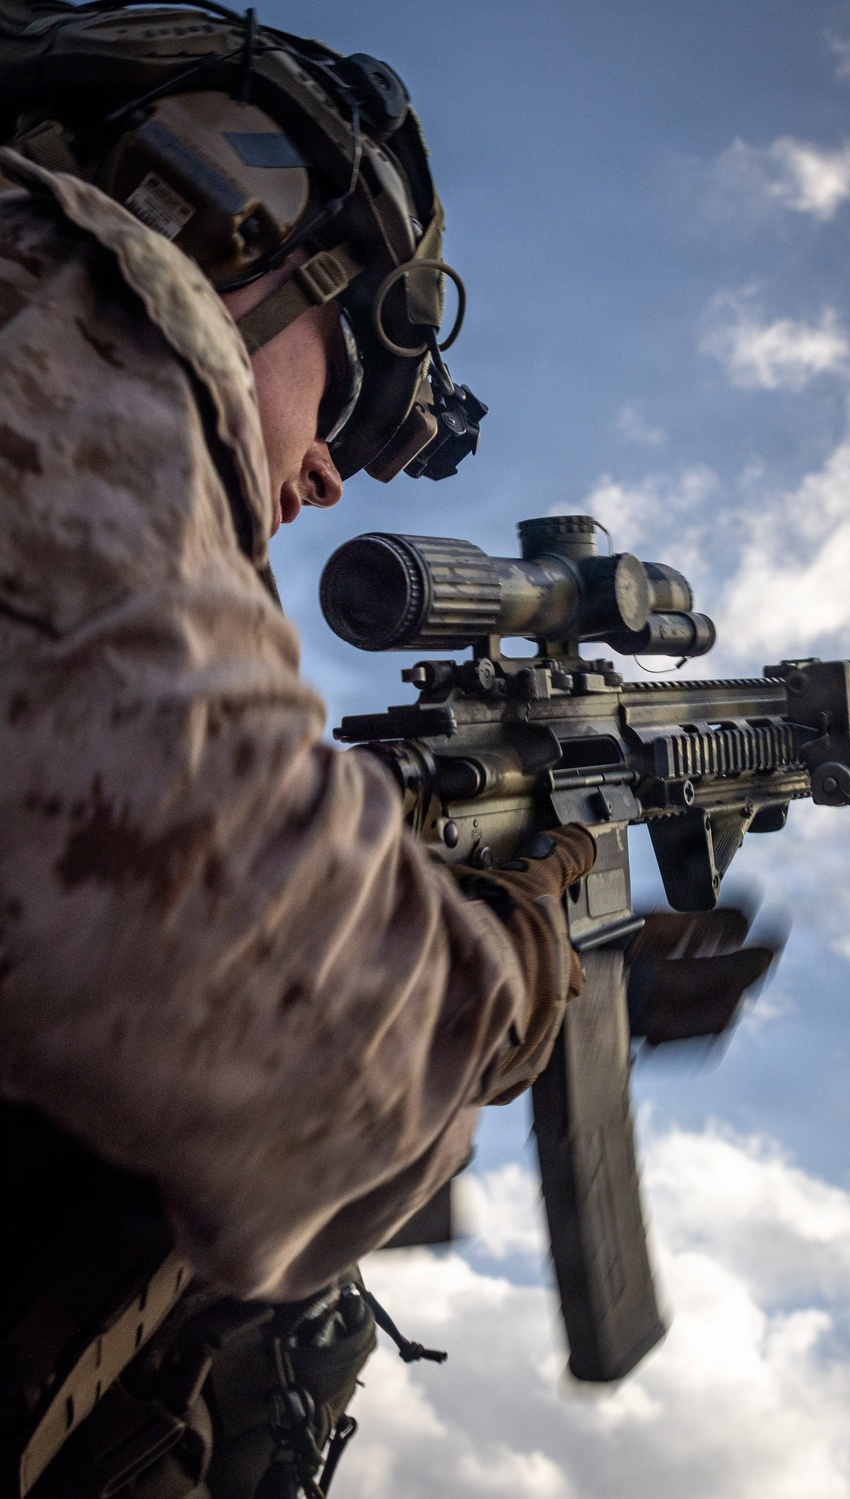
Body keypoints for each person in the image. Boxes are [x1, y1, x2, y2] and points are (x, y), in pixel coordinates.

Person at [0, 4, 595, 1494]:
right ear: (221, 209)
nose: (325, 471)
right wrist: (517, 960)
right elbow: (319, 1057)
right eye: (338, 389)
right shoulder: (61, 272)